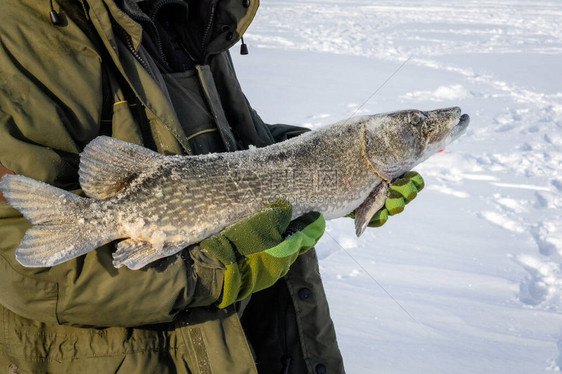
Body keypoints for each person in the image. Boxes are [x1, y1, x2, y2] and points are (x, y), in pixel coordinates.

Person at [0, 1, 423, 373]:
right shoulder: (17, 31)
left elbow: (224, 147)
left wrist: (333, 167)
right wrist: (215, 273)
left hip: (268, 336)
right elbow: (26, 271)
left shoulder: (189, 14)